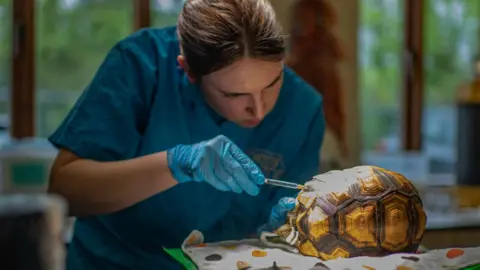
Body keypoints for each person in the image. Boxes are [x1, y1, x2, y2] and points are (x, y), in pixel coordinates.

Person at [48, 0, 325, 269]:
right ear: (188, 71)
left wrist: (285, 229)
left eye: (272, 83)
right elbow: (66, 191)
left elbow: (285, 232)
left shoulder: (303, 108)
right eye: (235, 94)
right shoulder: (142, 64)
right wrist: (175, 164)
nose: (259, 109)